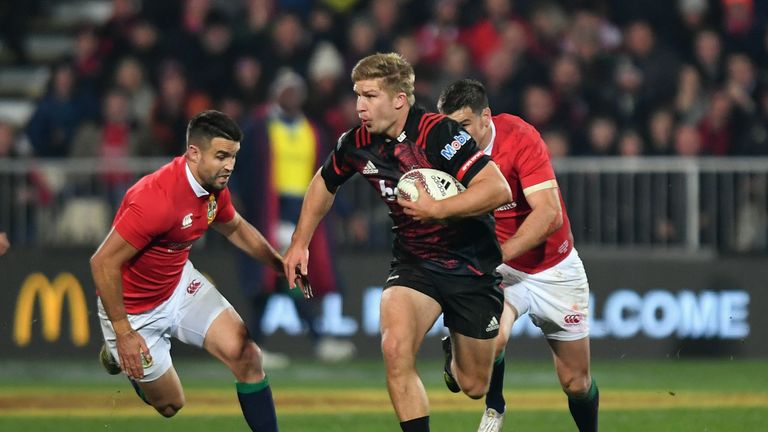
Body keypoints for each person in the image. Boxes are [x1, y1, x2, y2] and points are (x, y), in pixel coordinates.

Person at [283, 53, 512, 432]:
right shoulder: (356, 142)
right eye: (357, 94)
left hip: (470, 265)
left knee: (473, 385)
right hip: (414, 265)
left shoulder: (440, 134)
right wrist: (299, 242)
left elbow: (497, 188)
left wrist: (439, 210)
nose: (359, 106)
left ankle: (452, 348)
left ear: (399, 100)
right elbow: (325, 182)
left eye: (370, 96)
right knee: (394, 350)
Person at [90, 110, 293, 431]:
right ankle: (119, 358)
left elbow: (236, 227)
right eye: (222, 156)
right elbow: (102, 262)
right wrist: (124, 332)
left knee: (247, 355)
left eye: (234, 156)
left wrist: (279, 266)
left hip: (179, 285)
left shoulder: (212, 185)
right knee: (171, 405)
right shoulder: (155, 199)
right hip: (134, 313)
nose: (230, 165)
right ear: (194, 153)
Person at [437, 79, 598, 432]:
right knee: (493, 342)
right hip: (500, 269)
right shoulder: (446, 150)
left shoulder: (519, 136)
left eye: (463, 126)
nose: (457, 136)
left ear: (486, 118)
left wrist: (498, 254)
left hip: (553, 265)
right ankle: (495, 406)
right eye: (450, 127)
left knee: (577, 383)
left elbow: (549, 213)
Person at [233, 68, 355, 364]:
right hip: (269, 210)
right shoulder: (259, 127)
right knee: (287, 274)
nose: (292, 96)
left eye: (296, 91)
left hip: (303, 210)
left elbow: (329, 171)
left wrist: (345, 211)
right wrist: (234, 196)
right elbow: (239, 164)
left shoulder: (311, 130)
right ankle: (315, 339)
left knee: (281, 276)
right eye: (286, 91)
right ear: (276, 93)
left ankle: (256, 346)